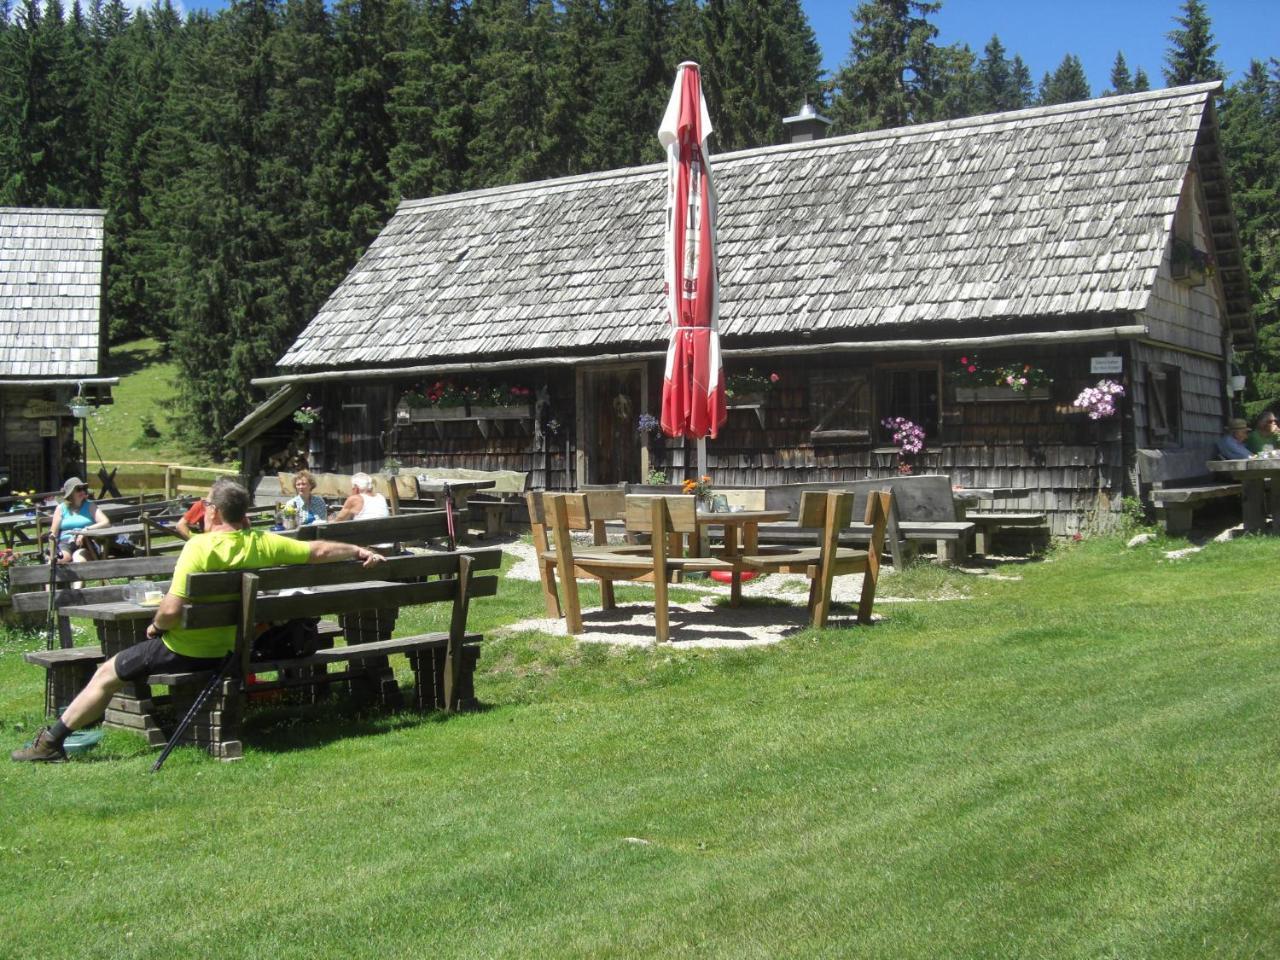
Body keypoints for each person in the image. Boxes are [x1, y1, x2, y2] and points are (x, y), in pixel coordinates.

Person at [12, 478, 384, 762]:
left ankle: (52, 741)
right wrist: (358, 550)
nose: (203, 508)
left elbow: (172, 611)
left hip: (188, 650)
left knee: (108, 671)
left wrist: (157, 626)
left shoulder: (199, 547)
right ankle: (72, 731)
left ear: (216, 512)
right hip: (234, 650)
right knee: (117, 667)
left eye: (206, 503)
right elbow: (317, 549)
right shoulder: (264, 543)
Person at [48, 477, 109, 564]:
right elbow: (53, 533)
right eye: (78, 489)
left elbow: (106, 522)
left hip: (86, 542)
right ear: (70, 493)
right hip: (66, 542)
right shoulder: (61, 508)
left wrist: (86, 530)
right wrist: (52, 549)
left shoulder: (90, 505)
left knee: (78, 559)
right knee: (57, 560)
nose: (82, 492)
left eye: (84, 489)